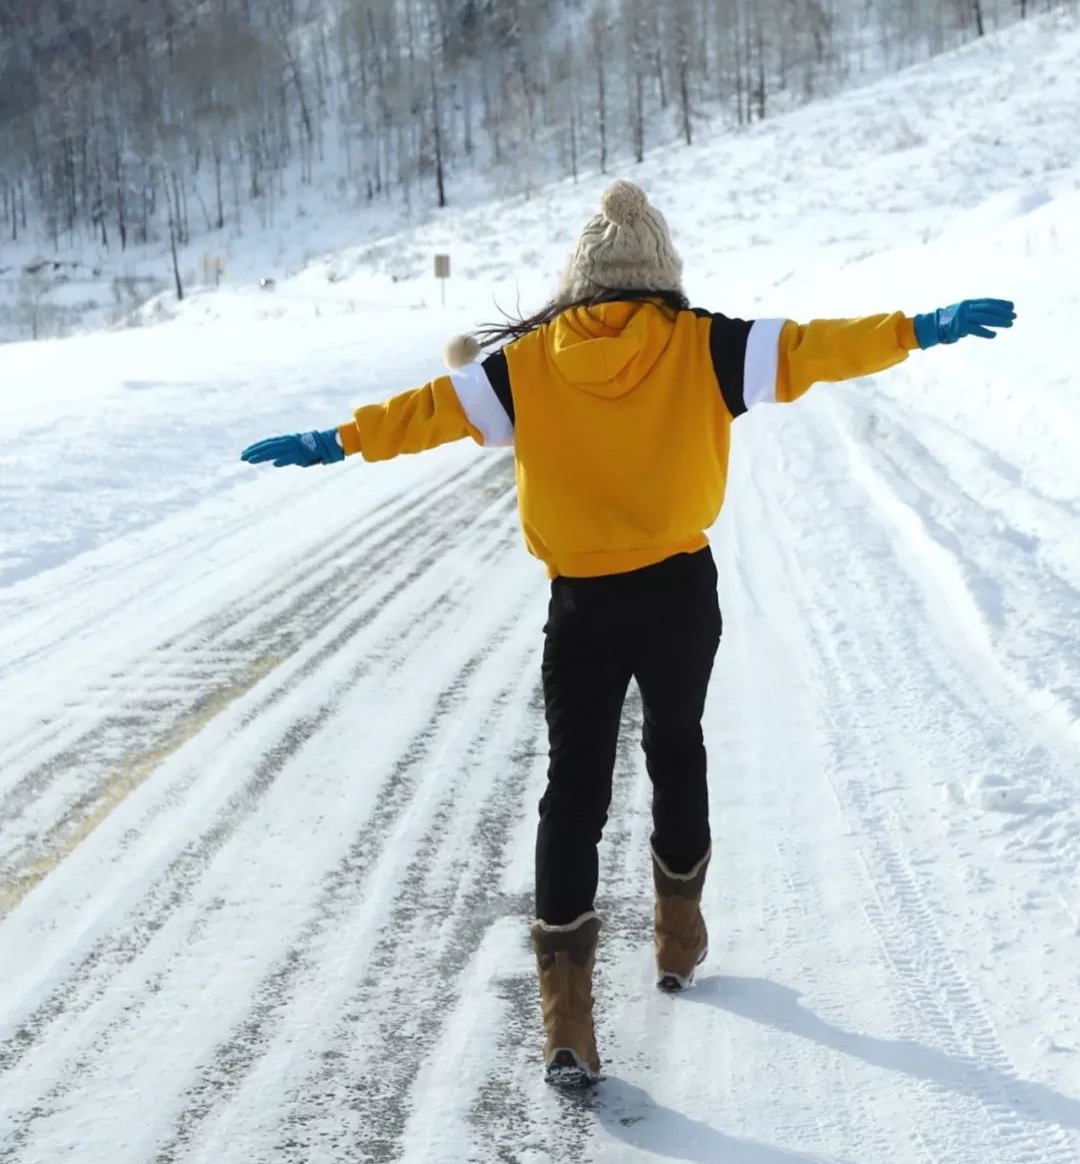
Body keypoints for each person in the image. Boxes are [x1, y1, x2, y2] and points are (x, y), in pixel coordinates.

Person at [241, 179, 1016, 1086]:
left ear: (579, 281)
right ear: (660, 274)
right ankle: (678, 937)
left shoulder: (523, 366)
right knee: (676, 746)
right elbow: (816, 347)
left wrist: (337, 439)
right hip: (680, 590)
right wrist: (919, 327)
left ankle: (567, 1020)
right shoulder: (709, 345)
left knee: (572, 793)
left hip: (582, 606)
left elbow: (426, 412)